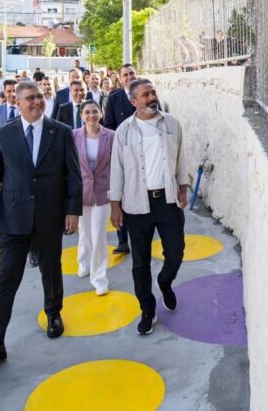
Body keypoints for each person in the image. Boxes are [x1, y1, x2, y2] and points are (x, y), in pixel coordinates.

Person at [0, 81, 81, 364]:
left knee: (51, 270)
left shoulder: (61, 132)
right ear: (16, 102)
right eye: (29, 98)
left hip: (49, 216)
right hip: (12, 219)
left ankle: (53, 313)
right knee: (6, 280)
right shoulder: (5, 133)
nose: (36, 102)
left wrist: (73, 211)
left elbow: (73, 176)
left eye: (40, 97)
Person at [109, 79, 189, 335]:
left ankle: (165, 282)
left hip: (167, 200)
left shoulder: (172, 123)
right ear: (134, 102)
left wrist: (183, 186)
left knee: (176, 251)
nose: (151, 97)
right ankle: (147, 309)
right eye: (145, 95)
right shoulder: (124, 131)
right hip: (136, 203)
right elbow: (117, 169)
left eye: (152, 92)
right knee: (140, 262)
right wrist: (115, 204)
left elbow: (181, 157)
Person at [73, 100, 114, 294]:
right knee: (84, 232)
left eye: (94, 112)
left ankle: (99, 278)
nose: (91, 115)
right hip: (81, 192)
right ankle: (84, 261)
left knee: (98, 236)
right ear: (82, 115)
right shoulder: (73, 136)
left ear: (101, 113)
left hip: (103, 191)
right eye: (87, 112)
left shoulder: (111, 136)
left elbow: (116, 166)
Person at [104, 63, 139, 255]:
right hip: (122, 153)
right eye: (125, 74)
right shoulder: (114, 97)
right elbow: (108, 124)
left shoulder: (144, 92)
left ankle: (140, 235)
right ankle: (122, 240)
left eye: (132, 73)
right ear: (120, 77)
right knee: (120, 195)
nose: (129, 77)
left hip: (143, 153)